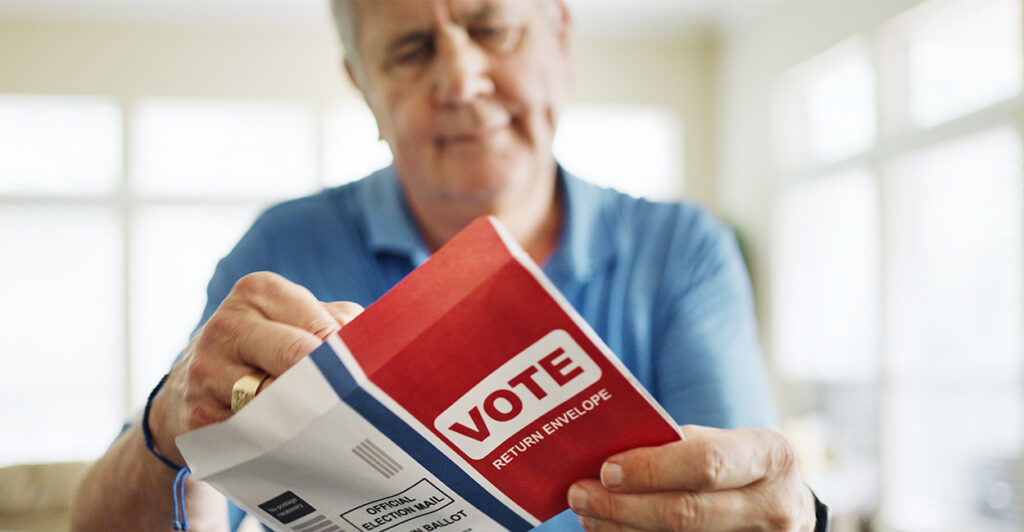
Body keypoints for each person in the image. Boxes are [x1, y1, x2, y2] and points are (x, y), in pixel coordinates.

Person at [71, 0, 826, 530]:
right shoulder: (281, 250)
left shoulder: (681, 251)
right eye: (411, 49)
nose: (461, 82)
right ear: (363, 84)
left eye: (490, 27)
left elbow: (745, 500)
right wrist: (167, 430)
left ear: (559, 38)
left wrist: (793, 512)